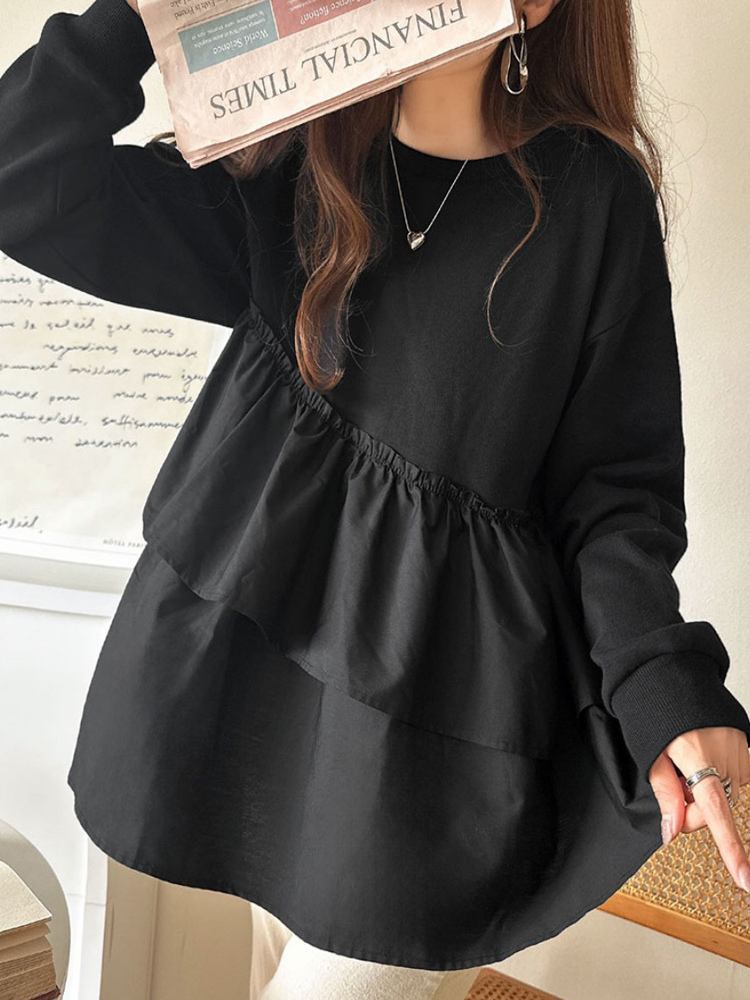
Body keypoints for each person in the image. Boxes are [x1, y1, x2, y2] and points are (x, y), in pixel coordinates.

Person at [1, 0, 749, 996]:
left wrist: (662, 684)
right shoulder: (289, 161)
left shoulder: (592, 199)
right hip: (238, 707)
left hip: (423, 764)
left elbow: (616, 494)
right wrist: (144, 14)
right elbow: (24, 177)